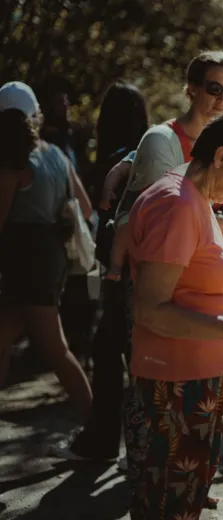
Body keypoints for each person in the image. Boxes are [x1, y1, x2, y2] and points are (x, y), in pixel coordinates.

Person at [123, 110, 223, 520]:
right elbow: (150, 308)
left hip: (196, 380)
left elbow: (191, 291)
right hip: (174, 385)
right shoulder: (175, 204)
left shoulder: (195, 197)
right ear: (221, 155)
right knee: (167, 507)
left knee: (185, 505)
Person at [53, 81, 150, 462]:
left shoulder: (118, 160)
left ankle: (106, 442)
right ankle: (122, 443)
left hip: (118, 270)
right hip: (140, 267)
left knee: (111, 352)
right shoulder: (148, 155)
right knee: (125, 353)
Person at [0, 82, 93, 417]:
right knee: (2, 337)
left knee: (54, 348)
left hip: (27, 261)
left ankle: (97, 427)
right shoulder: (54, 153)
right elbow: (84, 208)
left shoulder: (15, 161)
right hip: (51, 256)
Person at [111, 50, 223, 278]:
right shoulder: (162, 139)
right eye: (215, 89)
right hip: (150, 270)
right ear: (192, 88)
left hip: (197, 270)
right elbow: (164, 218)